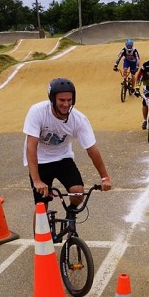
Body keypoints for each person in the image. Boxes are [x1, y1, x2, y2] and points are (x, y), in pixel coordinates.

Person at [23, 78, 112, 221]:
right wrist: (37, 180)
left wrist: (104, 177)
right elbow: (31, 147)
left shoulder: (79, 119)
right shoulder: (37, 112)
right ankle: (39, 242)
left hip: (63, 158)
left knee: (77, 192)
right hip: (40, 160)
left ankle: (70, 213)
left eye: (69, 100)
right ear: (52, 99)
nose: (66, 104)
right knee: (41, 206)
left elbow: (92, 150)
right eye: (61, 100)